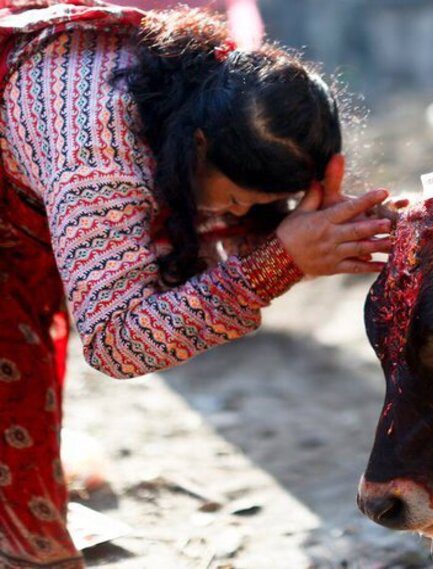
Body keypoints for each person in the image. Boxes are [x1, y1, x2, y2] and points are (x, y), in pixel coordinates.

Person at [0, 1, 393, 566]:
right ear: (199, 146)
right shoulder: (100, 161)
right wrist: (276, 264)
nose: (234, 214)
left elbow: (213, 224)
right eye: (235, 200)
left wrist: (322, 228)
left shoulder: (206, 82)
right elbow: (116, 340)